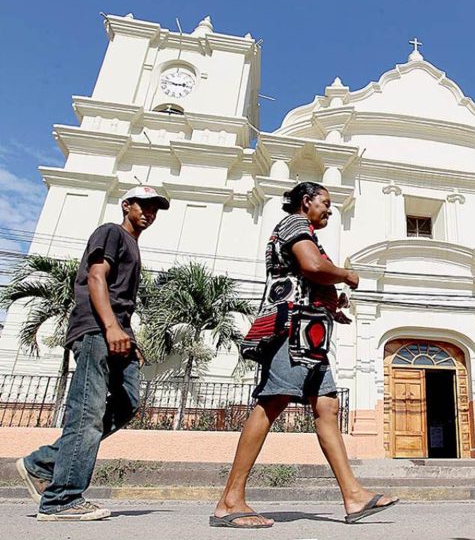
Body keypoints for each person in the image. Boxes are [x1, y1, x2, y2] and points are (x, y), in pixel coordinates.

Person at [212, 182, 398, 529]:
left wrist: (331, 303)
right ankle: (229, 500)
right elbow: (312, 266)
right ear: (306, 200)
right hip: (291, 330)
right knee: (272, 402)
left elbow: (307, 278)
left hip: (309, 335)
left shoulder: (305, 230)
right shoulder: (296, 225)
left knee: (327, 407)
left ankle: (353, 496)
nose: (329, 209)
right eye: (325, 203)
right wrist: (346, 275)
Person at [15, 186, 170, 521]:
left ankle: (41, 463)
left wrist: (128, 337)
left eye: (155, 208)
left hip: (116, 334)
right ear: (127, 205)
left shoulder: (132, 245)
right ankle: (61, 500)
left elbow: (118, 296)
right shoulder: (110, 232)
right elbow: (96, 277)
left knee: (127, 402)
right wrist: (111, 327)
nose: (149, 213)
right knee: (87, 411)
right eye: (143, 206)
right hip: (96, 331)